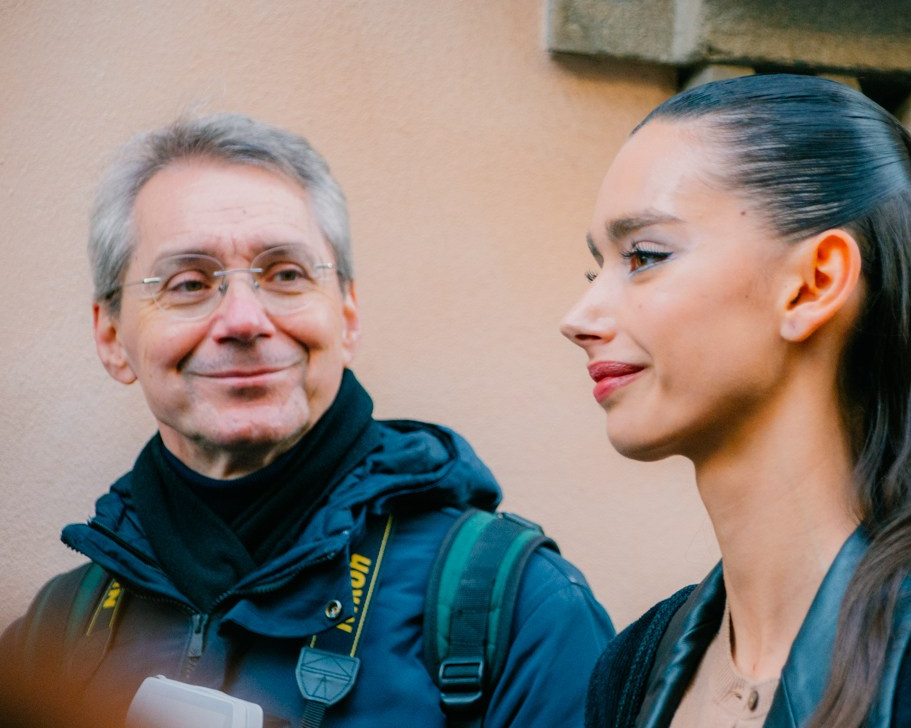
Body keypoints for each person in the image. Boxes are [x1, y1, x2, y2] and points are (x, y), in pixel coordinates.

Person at [0, 114, 613, 727]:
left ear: (346, 314)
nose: (244, 320)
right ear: (111, 335)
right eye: (189, 283)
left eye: (285, 274)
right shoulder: (55, 633)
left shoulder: (524, 612)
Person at [560, 74, 911, 728]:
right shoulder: (630, 673)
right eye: (598, 268)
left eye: (643, 256)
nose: (580, 317)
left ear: (814, 284)